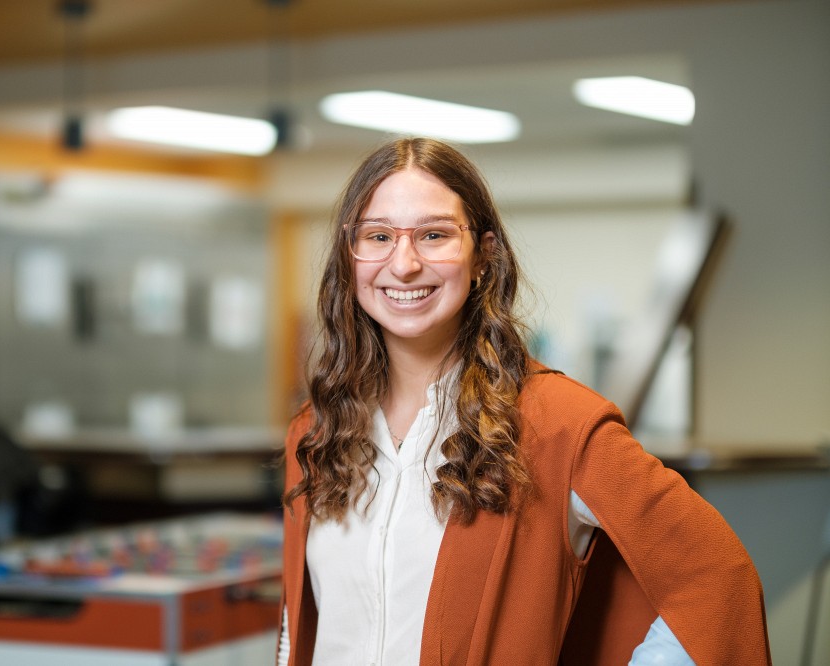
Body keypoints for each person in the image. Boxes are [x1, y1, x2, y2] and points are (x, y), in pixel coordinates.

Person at [277, 137, 770, 665]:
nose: (404, 264)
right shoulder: (316, 431)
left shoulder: (560, 425)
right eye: (378, 236)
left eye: (434, 235)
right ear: (350, 258)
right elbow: (300, 623)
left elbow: (716, 576)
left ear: (484, 256)